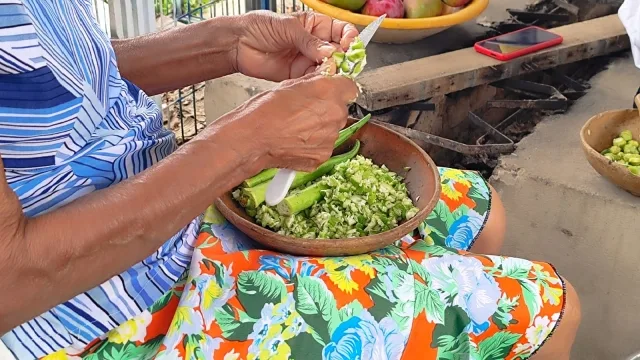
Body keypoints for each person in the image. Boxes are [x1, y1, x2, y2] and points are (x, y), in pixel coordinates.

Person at [0, 1, 580, 359]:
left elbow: (60, 75)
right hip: (99, 313)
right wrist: (244, 144)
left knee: (483, 213)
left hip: (161, 211)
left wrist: (229, 42)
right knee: (555, 312)